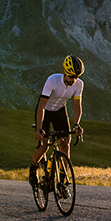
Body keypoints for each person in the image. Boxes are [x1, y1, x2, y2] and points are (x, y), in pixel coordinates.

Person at [29, 55, 85, 186]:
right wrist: (38, 129)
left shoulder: (79, 84)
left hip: (60, 110)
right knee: (43, 146)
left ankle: (62, 178)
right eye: (71, 77)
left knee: (65, 145)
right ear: (64, 72)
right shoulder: (53, 80)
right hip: (45, 111)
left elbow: (77, 107)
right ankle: (33, 169)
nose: (74, 80)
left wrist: (76, 125)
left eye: (77, 77)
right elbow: (41, 105)